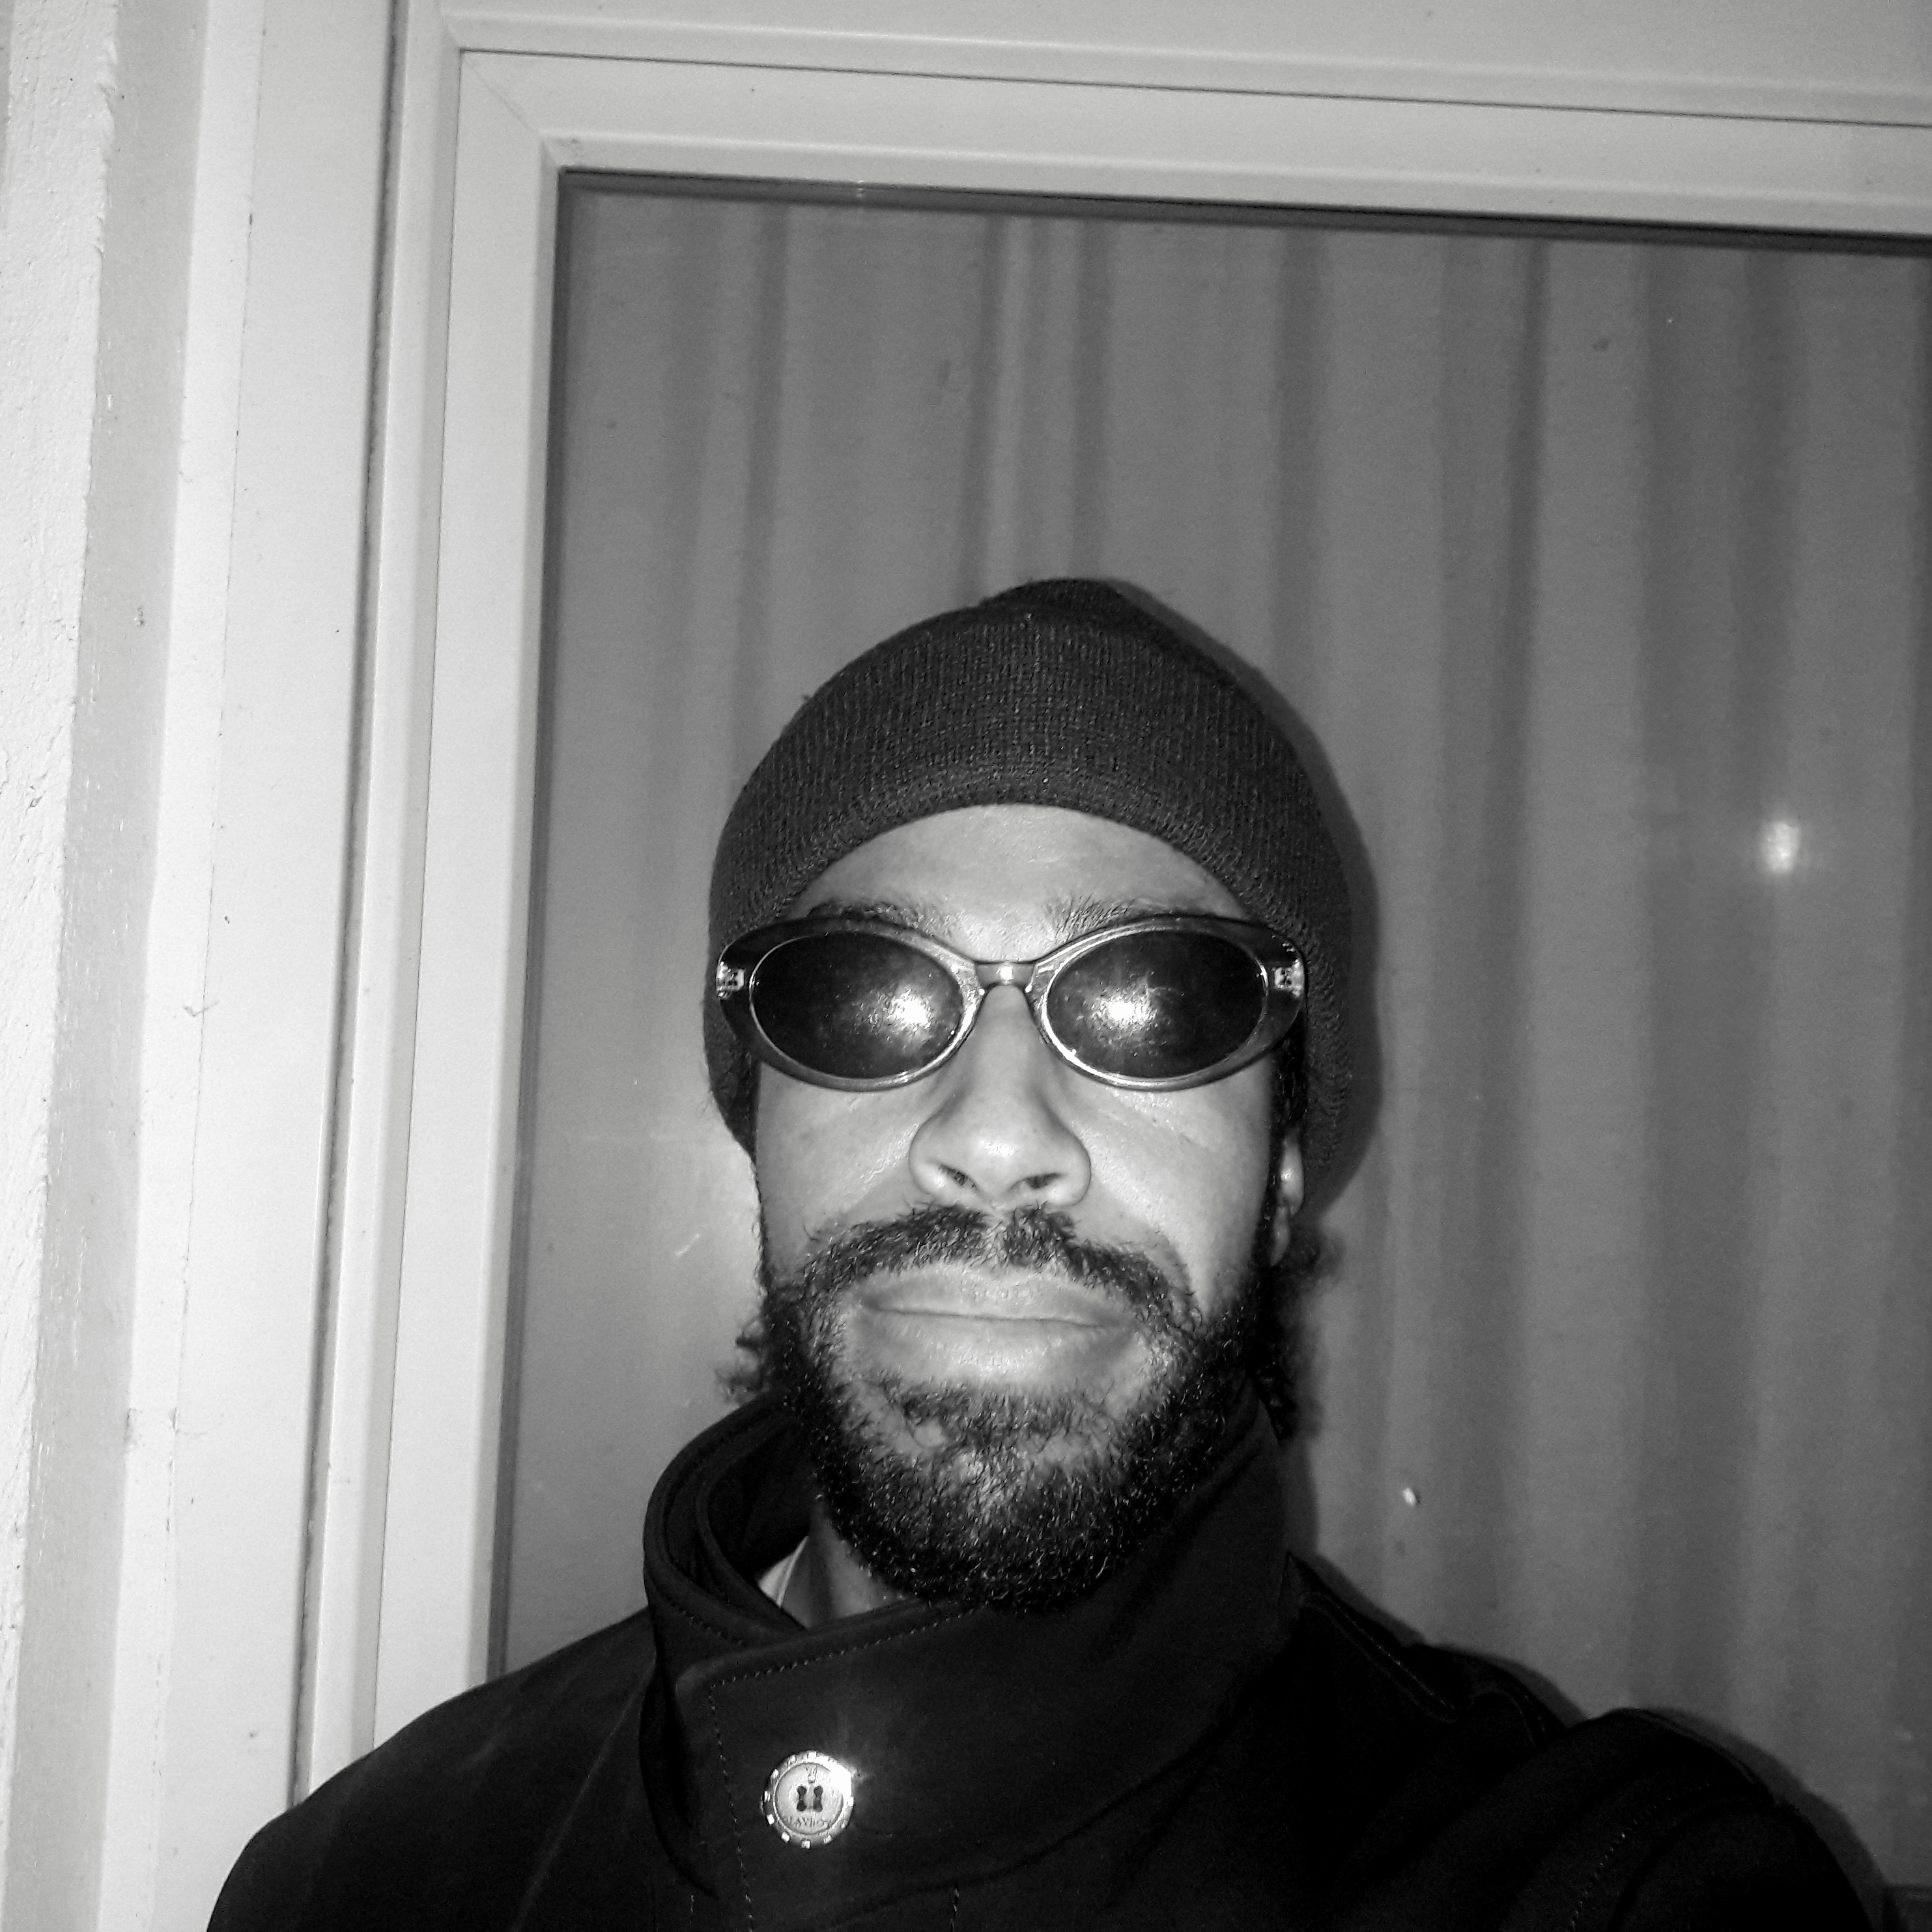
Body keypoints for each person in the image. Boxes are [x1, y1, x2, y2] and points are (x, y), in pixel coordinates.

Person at [212, 581, 1863, 1929]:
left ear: (1284, 1169)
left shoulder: (1606, 1891)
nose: (997, 1133)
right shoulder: (376, 1874)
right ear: (757, 1123)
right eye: (867, 997)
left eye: (1155, 1003)